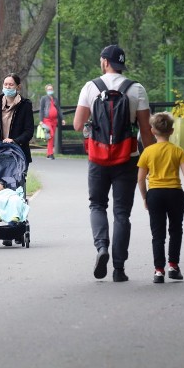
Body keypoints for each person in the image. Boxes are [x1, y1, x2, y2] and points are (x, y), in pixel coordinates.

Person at [73, 44, 156, 282]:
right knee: (122, 214)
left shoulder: (91, 87)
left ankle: (101, 248)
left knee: (97, 205)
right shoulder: (136, 89)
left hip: (98, 158)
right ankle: (119, 269)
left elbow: (78, 125)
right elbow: (146, 131)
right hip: (127, 159)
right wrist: (149, 161)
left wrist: (92, 125)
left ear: (104, 62)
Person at [137, 112, 184, 283]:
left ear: (153, 131)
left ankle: (158, 271)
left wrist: (144, 197)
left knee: (158, 234)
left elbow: (140, 178)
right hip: (175, 193)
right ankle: (173, 266)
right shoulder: (177, 151)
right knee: (176, 230)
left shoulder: (148, 152)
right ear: (171, 131)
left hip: (155, 193)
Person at [0, 73, 34, 246]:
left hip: (18, 155)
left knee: (17, 192)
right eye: (5, 84)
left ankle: (15, 227)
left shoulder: (25, 105)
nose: (8, 87)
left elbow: (29, 131)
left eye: (11, 84)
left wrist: (15, 140)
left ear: (18, 86)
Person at [38, 83, 65, 159]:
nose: (50, 90)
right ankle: (51, 153)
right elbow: (41, 109)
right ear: (46, 90)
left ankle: (48, 153)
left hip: (54, 120)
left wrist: (62, 118)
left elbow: (59, 109)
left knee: (51, 137)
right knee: (51, 135)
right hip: (47, 120)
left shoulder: (55, 99)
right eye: (49, 89)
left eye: (51, 89)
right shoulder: (44, 98)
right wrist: (41, 120)